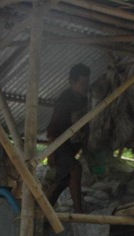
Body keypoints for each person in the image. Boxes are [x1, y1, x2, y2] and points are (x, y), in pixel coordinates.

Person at [46, 63, 90, 214]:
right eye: (82, 83)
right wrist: (51, 153)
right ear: (72, 82)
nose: (85, 87)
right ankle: (79, 211)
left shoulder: (85, 101)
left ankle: (43, 211)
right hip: (59, 146)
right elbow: (52, 128)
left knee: (62, 181)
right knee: (75, 169)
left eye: (87, 83)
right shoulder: (64, 101)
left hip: (71, 148)